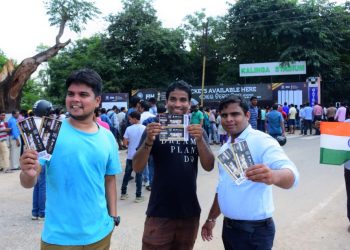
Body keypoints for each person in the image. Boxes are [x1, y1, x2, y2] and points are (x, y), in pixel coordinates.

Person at [19, 69, 122, 249]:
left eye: (83, 94)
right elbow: (29, 181)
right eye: (71, 94)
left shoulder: (107, 137)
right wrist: (28, 172)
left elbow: (109, 179)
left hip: (100, 234)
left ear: (97, 100)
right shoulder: (49, 132)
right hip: (59, 239)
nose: (75, 99)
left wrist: (112, 216)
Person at [201, 95, 299, 250]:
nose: (229, 119)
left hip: (254, 232)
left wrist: (273, 176)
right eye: (224, 115)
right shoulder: (225, 148)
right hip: (229, 229)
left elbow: (292, 176)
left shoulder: (262, 140)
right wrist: (211, 218)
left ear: (247, 115)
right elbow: (222, 188)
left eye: (235, 114)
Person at [133, 80, 215, 249]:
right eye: (173, 99)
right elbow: (137, 167)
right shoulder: (153, 127)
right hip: (159, 212)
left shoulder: (197, 130)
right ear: (166, 101)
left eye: (183, 100)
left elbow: (209, 166)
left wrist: (200, 140)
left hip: (189, 212)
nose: (178, 104)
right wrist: (149, 140)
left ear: (190, 103)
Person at [120, 111, 145, 202]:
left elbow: (125, 143)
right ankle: (138, 196)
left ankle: (123, 193)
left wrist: (130, 143)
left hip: (130, 155)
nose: (129, 120)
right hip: (141, 156)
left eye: (130, 118)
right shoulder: (145, 128)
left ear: (134, 118)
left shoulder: (129, 129)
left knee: (127, 174)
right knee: (139, 175)